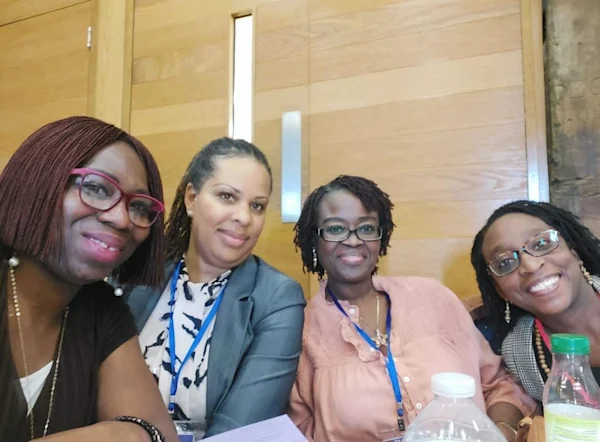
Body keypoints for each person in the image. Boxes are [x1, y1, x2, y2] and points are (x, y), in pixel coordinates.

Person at [288, 175, 536, 442]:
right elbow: (296, 429)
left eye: (366, 228)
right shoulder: (301, 329)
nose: (353, 240)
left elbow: (499, 384)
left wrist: (501, 431)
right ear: (314, 240)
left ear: (381, 237)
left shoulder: (432, 298)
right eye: (336, 229)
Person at [0, 116, 178, 442]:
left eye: (139, 207)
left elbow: (158, 433)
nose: (122, 219)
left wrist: (135, 433)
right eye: (96, 188)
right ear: (38, 181)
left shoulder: (102, 309)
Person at [125, 137, 306, 438]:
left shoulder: (277, 298)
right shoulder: (139, 276)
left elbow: (240, 431)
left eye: (257, 206)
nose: (244, 217)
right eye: (227, 196)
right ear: (192, 199)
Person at [471, 200, 600, 404]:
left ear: (573, 250)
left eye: (541, 244)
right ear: (500, 290)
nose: (530, 266)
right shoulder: (519, 354)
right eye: (505, 263)